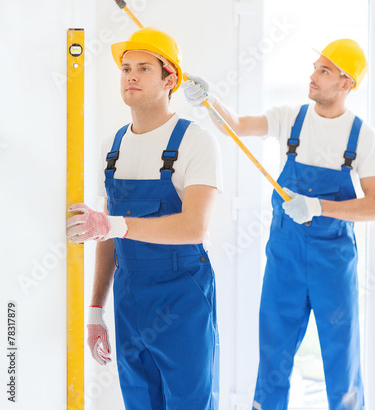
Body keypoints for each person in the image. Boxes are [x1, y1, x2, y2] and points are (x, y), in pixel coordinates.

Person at [182, 38, 375, 410]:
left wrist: (319, 206)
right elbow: (234, 126)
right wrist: (208, 101)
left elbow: (374, 205)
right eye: (315, 67)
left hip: (332, 260)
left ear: (346, 83)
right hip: (284, 256)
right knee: (274, 348)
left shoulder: (362, 138)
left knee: (340, 352)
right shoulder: (292, 118)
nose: (313, 76)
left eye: (324, 70)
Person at [66, 27, 222, 410]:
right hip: (129, 294)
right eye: (125, 68)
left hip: (182, 293)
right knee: (138, 402)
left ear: (170, 78)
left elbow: (194, 227)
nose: (130, 76)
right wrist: (95, 310)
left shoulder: (195, 140)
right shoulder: (112, 147)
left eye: (143, 68)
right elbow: (108, 239)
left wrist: (114, 225)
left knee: (190, 403)